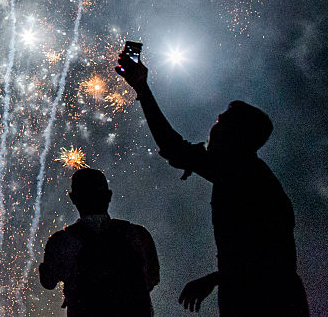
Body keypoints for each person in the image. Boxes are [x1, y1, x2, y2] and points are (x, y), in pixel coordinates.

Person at [115, 49, 309, 315]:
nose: (213, 130)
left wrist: (142, 88)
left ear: (239, 138)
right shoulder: (247, 174)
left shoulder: (243, 174)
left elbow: (173, 146)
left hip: (265, 300)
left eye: (222, 124)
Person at [39, 167, 159, 316]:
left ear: (73, 198)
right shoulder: (137, 235)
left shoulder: (62, 242)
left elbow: (48, 281)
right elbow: (152, 277)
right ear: (108, 196)